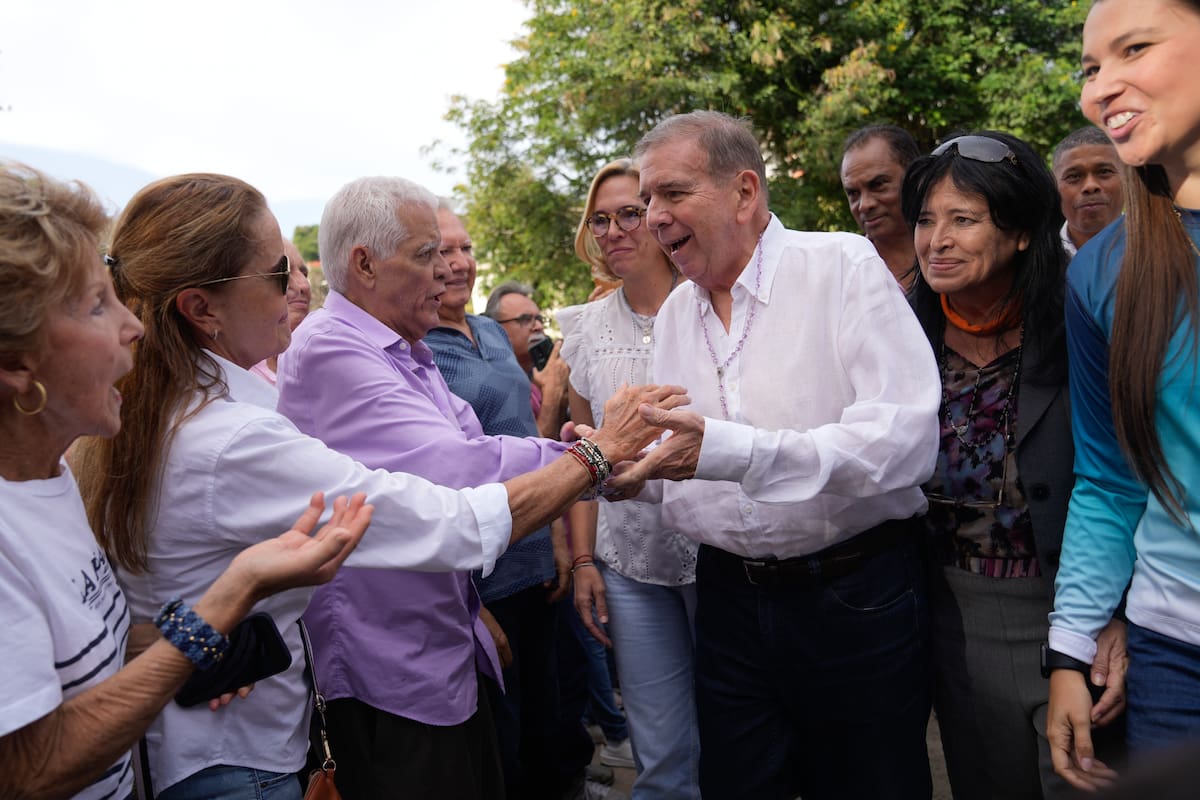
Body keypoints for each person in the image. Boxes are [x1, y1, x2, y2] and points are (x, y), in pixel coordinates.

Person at [71, 172, 682, 798]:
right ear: (202, 309)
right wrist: (597, 457)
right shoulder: (237, 432)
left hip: (244, 729)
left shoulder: (194, 413)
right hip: (249, 748)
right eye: (279, 276)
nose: (296, 291)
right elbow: (449, 515)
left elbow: (472, 454)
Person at [0, 162, 373, 800]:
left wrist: (193, 648)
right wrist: (228, 600)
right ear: (16, 365)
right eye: (96, 304)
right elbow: (29, 768)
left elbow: (99, 651)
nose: (133, 326)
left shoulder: (53, 479)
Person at [604, 110, 941, 799]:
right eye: (645, 204)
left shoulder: (840, 267)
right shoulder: (674, 315)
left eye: (672, 194)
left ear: (745, 192)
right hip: (726, 601)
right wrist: (620, 471)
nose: (653, 219)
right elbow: (685, 468)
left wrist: (730, 450)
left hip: (854, 596)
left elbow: (903, 442)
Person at [282, 183, 570, 800]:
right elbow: (458, 468)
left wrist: (580, 454)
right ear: (364, 264)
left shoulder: (406, 348)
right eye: (425, 254)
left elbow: (472, 437)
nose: (445, 270)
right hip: (387, 669)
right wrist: (593, 460)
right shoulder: (332, 348)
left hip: (437, 643)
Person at [902, 130, 1126, 799]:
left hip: (1070, 613)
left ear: (1024, 232)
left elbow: (1125, 482)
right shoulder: (897, 341)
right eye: (926, 220)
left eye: (963, 220)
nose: (936, 239)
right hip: (951, 621)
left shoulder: (1083, 328)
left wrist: (1113, 617)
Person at [1048, 0, 1200, 790]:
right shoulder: (1100, 271)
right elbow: (1110, 479)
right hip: (1173, 659)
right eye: (1090, 67)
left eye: (1133, 48)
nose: (1100, 88)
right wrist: (1071, 650)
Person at [558, 157, 701, 799]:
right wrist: (584, 559)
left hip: (719, 555)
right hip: (631, 563)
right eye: (600, 219)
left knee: (735, 734)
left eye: (629, 214)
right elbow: (583, 462)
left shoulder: (710, 304)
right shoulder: (583, 329)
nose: (613, 230)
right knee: (660, 749)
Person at [485, 280, 571, 439]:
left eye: (539, 318)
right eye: (525, 319)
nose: (538, 326)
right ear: (494, 327)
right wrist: (553, 393)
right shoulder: (496, 386)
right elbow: (533, 453)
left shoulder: (540, 373)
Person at [840, 124, 922, 288]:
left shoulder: (956, 255)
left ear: (915, 178)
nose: (864, 205)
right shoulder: (844, 276)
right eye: (853, 193)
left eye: (877, 185)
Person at [1052, 126, 1125, 257]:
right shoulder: (1036, 260)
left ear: (1128, 181)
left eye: (1104, 172)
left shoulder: (1161, 248)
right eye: (1074, 176)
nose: (1090, 186)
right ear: (1054, 187)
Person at [250, 238, 311, 384]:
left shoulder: (329, 358)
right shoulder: (237, 379)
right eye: (283, 273)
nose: (304, 285)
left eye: (304, 273)